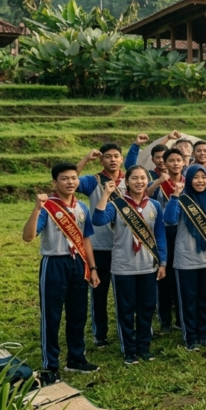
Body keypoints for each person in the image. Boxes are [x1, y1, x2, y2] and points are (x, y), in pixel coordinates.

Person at [23, 162, 101, 385]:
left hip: (79, 264)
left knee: (78, 313)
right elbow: (28, 237)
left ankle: (76, 358)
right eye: (65, 178)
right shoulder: (48, 207)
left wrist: (93, 268)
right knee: (52, 315)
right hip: (54, 263)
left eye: (73, 178)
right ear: (54, 182)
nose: (70, 182)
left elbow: (86, 239)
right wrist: (37, 208)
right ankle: (51, 365)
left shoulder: (82, 208)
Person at [91, 167, 167, 365]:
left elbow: (160, 236)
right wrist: (106, 195)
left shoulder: (155, 205)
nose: (139, 182)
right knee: (125, 309)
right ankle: (129, 350)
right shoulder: (117, 205)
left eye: (143, 178)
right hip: (123, 267)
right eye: (135, 178)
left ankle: (144, 347)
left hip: (148, 266)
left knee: (147, 308)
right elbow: (98, 220)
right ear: (127, 181)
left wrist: (163, 262)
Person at [162, 165, 206, 351]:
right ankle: (190, 337)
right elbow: (169, 219)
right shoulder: (182, 200)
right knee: (188, 299)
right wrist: (175, 196)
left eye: (204, 177)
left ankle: (204, 334)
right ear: (189, 179)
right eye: (196, 177)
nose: (200, 181)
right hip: (185, 259)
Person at [76, 143, 126, 349]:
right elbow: (69, 181)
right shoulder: (93, 181)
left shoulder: (130, 179)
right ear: (101, 160)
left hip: (124, 246)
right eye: (107, 156)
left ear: (122, 159)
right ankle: (100, 334)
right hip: (99, 246)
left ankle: (125, 330)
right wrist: (86, 159)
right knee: (99, 293)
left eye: (116, 156)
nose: (112, 159)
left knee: (124, 294)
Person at [151, 148, 186, 333]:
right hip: (164, 235)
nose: (175, 164)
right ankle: (165, 320)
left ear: (183, 162)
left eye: (178, 160)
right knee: (164, 278)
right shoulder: (160, 185)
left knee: (181, 278)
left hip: (184, 235)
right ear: (165, 163)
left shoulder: (190, 183)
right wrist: (157, 183)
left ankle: (181, 319)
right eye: (171, 160)